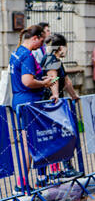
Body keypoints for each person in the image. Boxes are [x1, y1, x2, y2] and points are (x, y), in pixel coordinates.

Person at [9, 25, 53, 192]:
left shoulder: (16, 52)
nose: (41, 44)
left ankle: (25, 182)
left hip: (21, 101)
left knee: (28, 144)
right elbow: (27, 81)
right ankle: (21, 184)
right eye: (41, 41)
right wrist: (44, 83)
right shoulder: (27, 55)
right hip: (28, 103)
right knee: (28, 145)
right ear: (34, 38)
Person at [40, 33, 82, 180]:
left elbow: (66, 81)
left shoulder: (55, 60)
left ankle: (62, 169)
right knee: (57, 137)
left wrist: (74, 96)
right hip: (51, 105)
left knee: (61, 136)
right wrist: (56, 96)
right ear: (61, 47)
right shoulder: (51, 59)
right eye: (66, 47)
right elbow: (54, 78)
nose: (67, 50)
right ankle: (60, 170)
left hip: (55, 103)